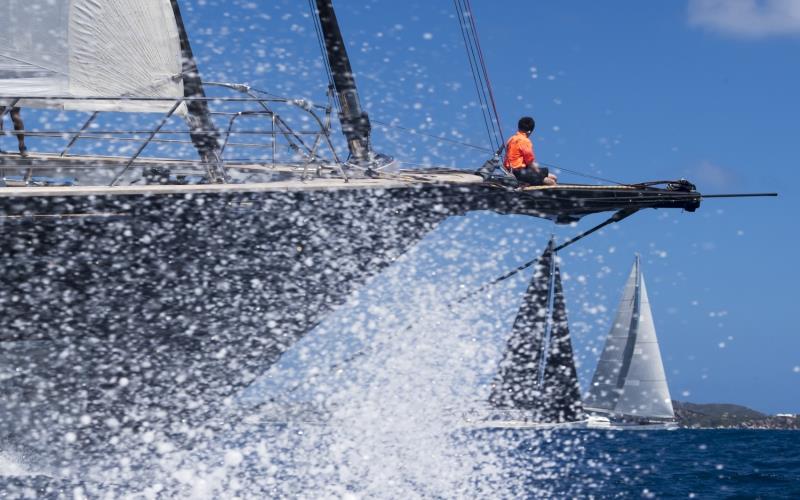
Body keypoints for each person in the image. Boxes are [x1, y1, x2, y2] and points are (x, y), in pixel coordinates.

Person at [503, 116, 556, 186]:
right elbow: (529, 161)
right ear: (530, 131)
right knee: (551, 182)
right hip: (519, 172)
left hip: (512, 171)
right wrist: (537, 172)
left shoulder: (511, 139)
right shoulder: (525, 141)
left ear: (519, 127)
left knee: (553, 177)